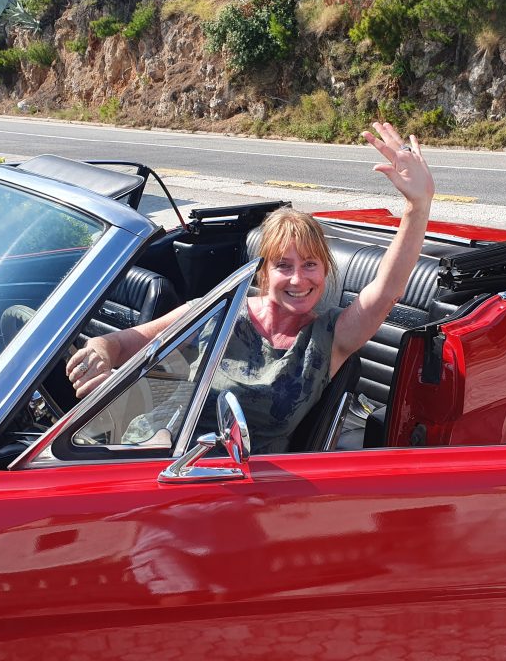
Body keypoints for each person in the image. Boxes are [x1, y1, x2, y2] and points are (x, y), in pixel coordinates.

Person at [66, 121, 434, 453]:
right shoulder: (217, 310)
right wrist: (98, 351)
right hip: (154, 452)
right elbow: (122, 343)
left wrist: (417, 206)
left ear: (325, 271)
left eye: (310, 265)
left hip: (243, 487)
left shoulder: (329, 338)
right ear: (263, 272)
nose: (297, 279)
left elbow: (386, 292)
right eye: (283, 266)